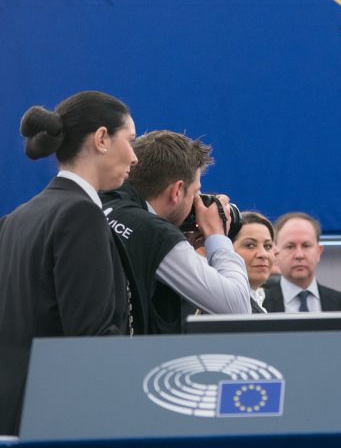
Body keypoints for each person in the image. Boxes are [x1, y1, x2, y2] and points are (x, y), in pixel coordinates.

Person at [0, 91, 137, 435]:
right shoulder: (80, 214)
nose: (134, 157)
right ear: (102, 138)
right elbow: (91, 338)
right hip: (58, 419)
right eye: (130, 140)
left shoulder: (17, 218)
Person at [102, 130, 250, 334]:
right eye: (196, 192)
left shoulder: (103, 201)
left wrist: (184, 246)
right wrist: (217, 236)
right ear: (177, 191)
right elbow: (238, 309)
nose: (197, 203)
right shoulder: (156, 234)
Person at [263, 212, 341, 313]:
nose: (299, 255)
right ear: (276, 253)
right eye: (290, 246)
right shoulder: (261, 304)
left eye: (306, 246)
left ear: (319, 251)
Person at [233, 212, 276, 313]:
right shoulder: (218, 303)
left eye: (267, 246)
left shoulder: (264, 300)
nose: (263, 254)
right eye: (250, 245)